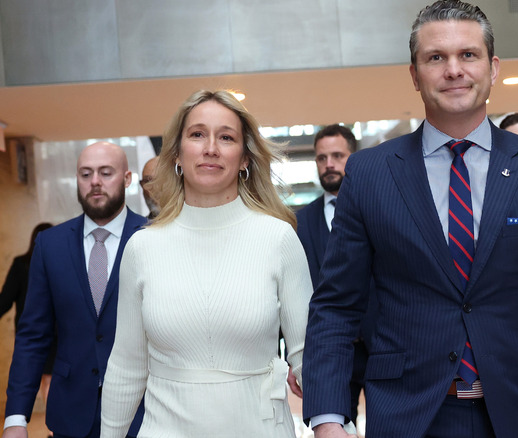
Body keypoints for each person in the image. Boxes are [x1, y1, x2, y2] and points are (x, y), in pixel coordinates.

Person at [302, 2, 518, 437]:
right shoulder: (369, 173)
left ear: (493, 68)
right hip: (410, 416)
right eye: (435, 57)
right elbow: (336, 306)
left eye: (468, 54)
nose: (453, 70)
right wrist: (327, 417)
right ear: (414, 74)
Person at [99, 90, 313, 437]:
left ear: (244, 159)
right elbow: (127, 366)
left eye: (226, 137)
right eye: (197, 134)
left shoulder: (278, 238)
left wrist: (332, 421)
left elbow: (308, 356)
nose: (211, 148)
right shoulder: (143, 247)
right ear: (177, 153)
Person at [3, 142, 146, 438]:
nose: (95, 181)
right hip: (70, 415)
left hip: (143, 413)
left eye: (106, 172)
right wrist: (15, 417)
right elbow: (33, 335)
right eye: (85, 174)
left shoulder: (153, 236)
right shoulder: (50, 245)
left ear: (127, 179)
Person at [296, 124, 368, 430]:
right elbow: (293, 291)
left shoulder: (375, 209)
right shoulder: (299, 221)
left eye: (337, 156)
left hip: (380, 346)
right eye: (321, 158)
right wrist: (294, 358)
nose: (329, 164)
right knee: (332, 427)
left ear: (353, 157)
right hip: (330, 351)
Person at [0, 223, 54, 437]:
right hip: (56, 332)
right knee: (49, 379)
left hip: (31, 333)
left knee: (44, 379)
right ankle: (52, 428)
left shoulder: (21, 264)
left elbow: (5, 300)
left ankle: (52, 428)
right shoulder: (56, 264)